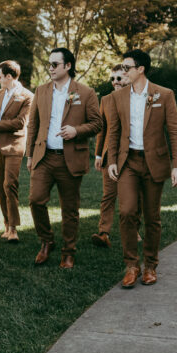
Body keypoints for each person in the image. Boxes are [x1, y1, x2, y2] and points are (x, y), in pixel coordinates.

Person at [27, 48, 102, 269]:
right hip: (44, 157)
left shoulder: (86, 92)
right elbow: (33, 125)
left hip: (70, 159)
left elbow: (98, 124)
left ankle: (68, 252)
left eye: (55, 64)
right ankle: (47, 241)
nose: (50, 68)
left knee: (70, 208)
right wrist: (30, 154)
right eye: (49, 64)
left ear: (68, 66)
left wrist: (76, 131)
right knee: (35, 200)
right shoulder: (41, 91)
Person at [108, 49, 177, 288]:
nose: (123, 72)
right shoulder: (118, 97)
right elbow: (114, 131)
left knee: (152, 216)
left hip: (154, 163)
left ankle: (150, 265)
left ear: (140, 70)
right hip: (128, 162)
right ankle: (131, 265)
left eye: (127, 68)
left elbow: (174, 131)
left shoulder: (164, 94)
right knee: (126, 212)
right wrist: (112, 160)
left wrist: (176, 164)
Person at [92, 64, 142, 247]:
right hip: (109, 156)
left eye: (119, 78)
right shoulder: (105, 100)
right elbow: (102, 129)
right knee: (108, 196)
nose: (115, 82)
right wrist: (98, 155)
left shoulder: (138, 98)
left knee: (134, 196)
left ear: (128, 78)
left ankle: (134, 230)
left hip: (132, 155)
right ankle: (103, 233)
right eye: (112, 79)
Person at [0, 60, 33, 242]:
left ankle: (13, 228)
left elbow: (21, 123)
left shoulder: (28, 96)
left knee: (9, 184)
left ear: (9, 77)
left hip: (14, 146)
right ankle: (6, 224)